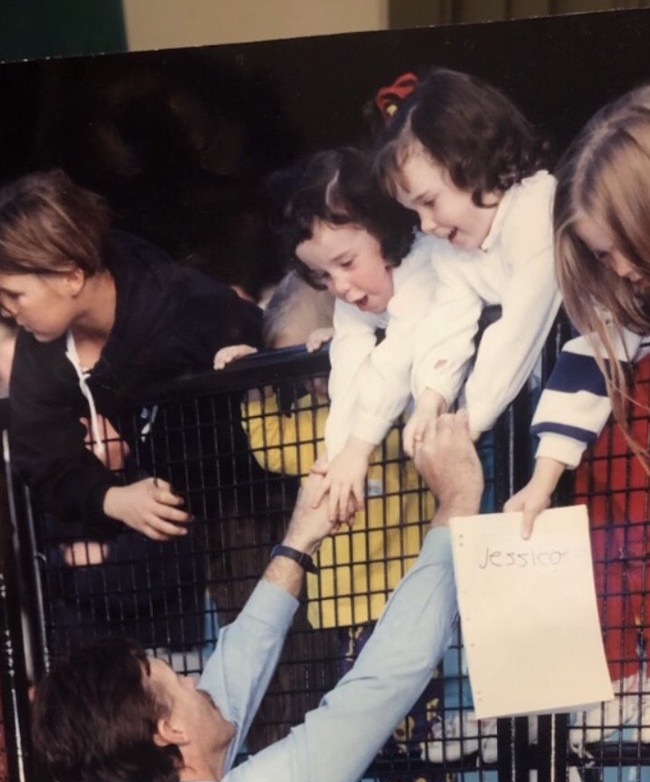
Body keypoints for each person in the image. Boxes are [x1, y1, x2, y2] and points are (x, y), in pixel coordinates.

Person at [32, 410, 483, 782]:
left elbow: (235, 670)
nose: (196, 683)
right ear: (168, 731)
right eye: (179, 682)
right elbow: (387, 676)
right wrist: (457, 500)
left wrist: (299, 541)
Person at [218, 273, 461, 782]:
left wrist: (360, 349)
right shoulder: (311, 428)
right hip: (339, 606)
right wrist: (252, 376)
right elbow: (268, 442)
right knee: (364, 725)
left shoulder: (388, 407)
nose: (317, 380)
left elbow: (418, 391)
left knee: (411, 717)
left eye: (323, 357)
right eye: (302, 371)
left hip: (397, 595)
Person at [0, 169, 262, 542]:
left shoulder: (184, 305)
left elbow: (262, 344)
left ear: (71, 277)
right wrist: (111, 498)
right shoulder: (41, 338)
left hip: (241, 513)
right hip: (137, 546)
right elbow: (38, 452)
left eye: (14, 295)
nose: (7, 310)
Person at [373, 66, 561, 453]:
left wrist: (469, 419)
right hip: (519, 404)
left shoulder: (537, 208)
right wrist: (430, 401)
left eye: (429, 202)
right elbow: (447, 321)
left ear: (474, 163)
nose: (425, 225)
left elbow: (520, 327)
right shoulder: (452, 249)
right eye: (414, 213)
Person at [258, 145, 441, 523]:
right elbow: (348, 364)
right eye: (324, 275)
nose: (339, 285)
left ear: (385, 230)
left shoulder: (423, 266)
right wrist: (336, 456)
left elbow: (397, 358)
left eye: (346, 262)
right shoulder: (356, 297)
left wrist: (355, 453)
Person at [504, 84, 650, 537]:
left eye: (625, 245)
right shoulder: (626, 305)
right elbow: (586, 369)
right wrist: (541, 483)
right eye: (603, 255)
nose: (622, 268)